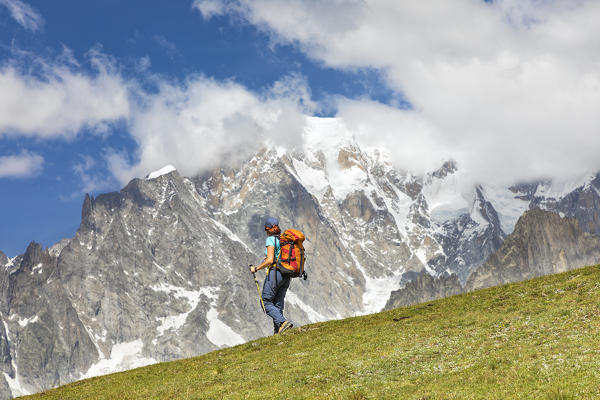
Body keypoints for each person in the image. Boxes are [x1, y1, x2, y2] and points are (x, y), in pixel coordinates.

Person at [249, 217, 293, 334]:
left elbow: (270, 260)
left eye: (265, 229)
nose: (265, 231)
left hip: (275, 274)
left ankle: (283, 322)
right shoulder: (284, 240)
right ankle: (278, 331)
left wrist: (256, 268)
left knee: (266, 302)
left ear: (268, 229)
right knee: (278, 304)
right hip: (286, 275)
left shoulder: (270, 240)